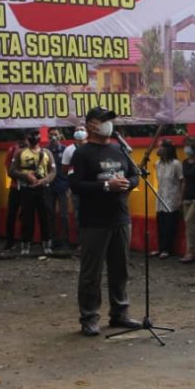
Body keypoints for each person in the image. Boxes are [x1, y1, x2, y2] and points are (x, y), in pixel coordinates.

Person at [69, 106, 142, 337]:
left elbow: (135, 175)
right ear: (90, 125)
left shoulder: (120, 149)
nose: (108, 124)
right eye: (103, 120)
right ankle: (89, 318)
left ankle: (120, 312)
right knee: (92, 271)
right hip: (94, 221)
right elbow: (76, 185)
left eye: (110, 120)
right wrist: (106, 186)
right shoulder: (81, 153)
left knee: (120, 268)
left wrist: (128, 183)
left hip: (120, 217)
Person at [9, 129, 55, 256]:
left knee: (45, 217)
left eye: (36, 135)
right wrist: (26, 176)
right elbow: (11, 171)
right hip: (26, 188)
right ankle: (25, 244)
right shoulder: (20, 153)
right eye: (31, 136)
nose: (34, 138)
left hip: (43, 188)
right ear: (27, 138)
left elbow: (53, 171)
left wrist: (44, 180)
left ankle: (47, 243)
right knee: (26, 217)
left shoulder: (47, 153)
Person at [153, 139, 183, 259]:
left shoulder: (176, 164)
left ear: (167, 149)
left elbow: (181, 181)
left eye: (160, 147)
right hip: (161, 196)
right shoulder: (157, 164)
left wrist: (180, 198)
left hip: (172, 197)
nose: (158, 149)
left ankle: (167, 249)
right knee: (160, 223)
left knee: (170, 224)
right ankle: (160, 248)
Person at [47, 128, 73, 248]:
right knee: (50, 214)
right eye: (51, 135)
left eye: (55, 134)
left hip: (63, 187)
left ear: (60, 136)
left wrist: (69, 186)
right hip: (49, 188)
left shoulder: (66, 150)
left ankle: (65, 241)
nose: (53, 137)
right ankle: (52, 240)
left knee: (64, 215)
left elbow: (71, 169)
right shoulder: (45, 151)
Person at [2, 136, 24, 251]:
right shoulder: (13, 149)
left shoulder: (35, 150)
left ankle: (25, 240)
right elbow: (8, 168)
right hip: (15, 186)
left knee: (26, 215)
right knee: (11, 215)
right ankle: (9, 241)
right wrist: (19, 176)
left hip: (28, 187)